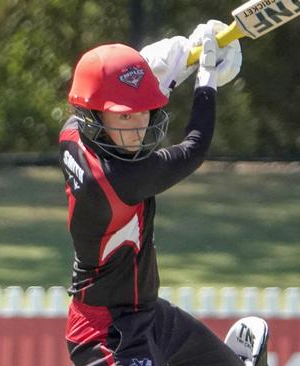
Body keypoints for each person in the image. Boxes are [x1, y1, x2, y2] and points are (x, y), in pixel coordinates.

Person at [59, 20, 268, 366]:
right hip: (106, 335)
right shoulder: (120, 179)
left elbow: (126, 92)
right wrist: (206, 80)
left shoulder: (73, 135)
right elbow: (195, 148)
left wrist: (182, 55)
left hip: (151, 318)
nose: (138, 127)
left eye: (142, 113)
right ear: (95, 116)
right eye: (124, 118)